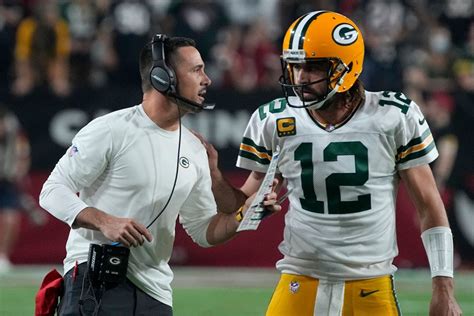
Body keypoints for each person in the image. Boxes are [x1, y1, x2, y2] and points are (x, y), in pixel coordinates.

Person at [202, 11, 462, 315]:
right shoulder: (273, 119)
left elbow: (430, 205)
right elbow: (240, 205)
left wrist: (443, 287)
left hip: (370, 282)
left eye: (313, 67)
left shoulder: (393, 115)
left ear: (346, 67)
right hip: (300, 276)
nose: (300, 78)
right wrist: (216, 178)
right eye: (295, 66)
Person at [38, 35, 280, 315]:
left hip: (156, 292)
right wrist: (104, 221)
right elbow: (52, 190)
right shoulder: (110, 130)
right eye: (196, 69)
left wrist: (242, 216)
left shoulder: (195, 148)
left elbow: (202, 230)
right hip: (93, 282)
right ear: (163, 77)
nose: (207, 79)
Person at [0, 105, 31, 274]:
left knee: (11, 219)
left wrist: (20, 172)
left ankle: (2, 257)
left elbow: (23, 154)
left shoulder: (15, 132)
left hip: (8, 180)